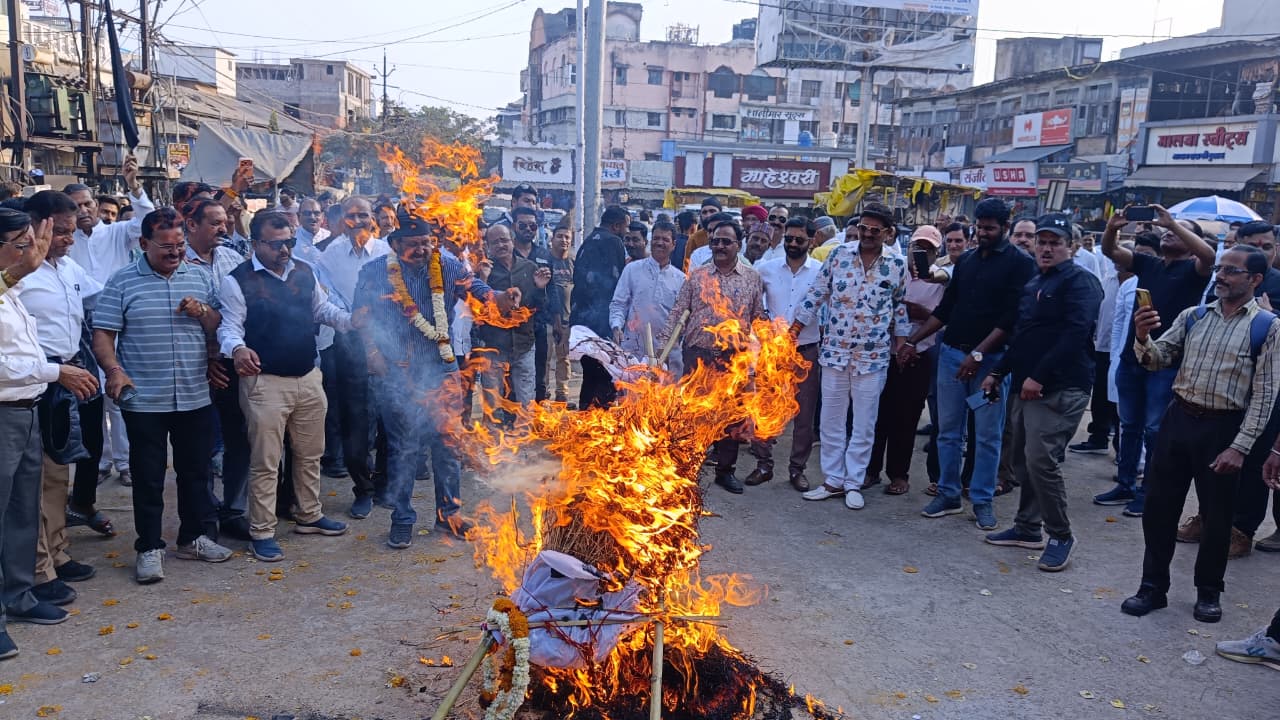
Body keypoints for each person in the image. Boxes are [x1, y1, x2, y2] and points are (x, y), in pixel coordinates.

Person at [1120, 244, 1279, 624]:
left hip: (1223, 427)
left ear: (1255, 279)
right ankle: (1152, 587)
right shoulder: (1194, 316)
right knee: (1159, 509)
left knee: (1217, 517)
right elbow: (1158, 359)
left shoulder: (1267, 327)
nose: (1221, 275)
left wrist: (1240, 447)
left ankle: (1209, 591)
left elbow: (1265, 395)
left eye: (1232, 270)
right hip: (1178, 420)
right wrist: (1142, 336)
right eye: (1220, 268)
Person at [92, 208, 233, 584]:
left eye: (180, 245)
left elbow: (217, 324)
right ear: (143, 243)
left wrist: (202, 311)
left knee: (196, 472)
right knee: (148, 476)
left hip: (194, 394)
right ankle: (149, 547)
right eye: (166, 246)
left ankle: (192, 538)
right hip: (145, 398)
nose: (176, 253)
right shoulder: (123, 281)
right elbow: (103, 333)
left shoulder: (199, 276)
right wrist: (114, 370)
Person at [354, 215, 506, 548]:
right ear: (396, 245)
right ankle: (402, 519)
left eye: (426, 243)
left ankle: (449, 515)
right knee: (405, 447)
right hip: (397, 371)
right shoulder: (375, 271)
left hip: (442, 368)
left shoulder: (447, 267)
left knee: (449, 444)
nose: (422, 249)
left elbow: (476, 289)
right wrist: (372, 353)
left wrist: (499, 297)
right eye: (414, 244)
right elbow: (360, 317)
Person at [216, 212, 353, 562]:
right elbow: (229, 327)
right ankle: (261, 531)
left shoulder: (304, 271)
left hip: (307, 376)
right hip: (264, 383)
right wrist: (238, 349)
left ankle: (309, 514)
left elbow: (322, 310)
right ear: (255, 244)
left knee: (310, 454)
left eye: (289, 242)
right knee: (266, 461)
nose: (285, 250)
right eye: (276, 244)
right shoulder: (238, 280)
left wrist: (352, 321)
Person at [899, 198, 1036, 531]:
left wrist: (977, 355)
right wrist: (913, 341)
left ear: (1005, 228)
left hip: (991, 365)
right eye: (980, 227)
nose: (983, 233)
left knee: (987, 435)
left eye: (990, 228)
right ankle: (948, 494)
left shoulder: (1021, 264)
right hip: (951, 357)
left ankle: (982, 499)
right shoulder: (968, 261)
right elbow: (946, 309)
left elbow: (1011, 320)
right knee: (947, 431)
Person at [981, 214, 1103, 572]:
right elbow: (1023, 333)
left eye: (1056, 242)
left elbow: (1075, 333)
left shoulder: (1081, 282)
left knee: (1041, 461)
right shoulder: (1036, 280)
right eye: (1043, 242)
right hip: (1026, 384)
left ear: (1072, 247)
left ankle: (1061, 535)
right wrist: (999, 371)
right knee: (1022, 461)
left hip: (1060, 387)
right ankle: (1027, 527)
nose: (1047, 248)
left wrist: (1039, 376)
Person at [1095, 206, 1216, 517]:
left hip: (1166, 362)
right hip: (1132, 357)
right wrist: (1112, 227)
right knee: (1129, 425)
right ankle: (1125, 484)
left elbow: (1209, 256)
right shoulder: (1148, 263)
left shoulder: (1194, 271)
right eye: (1165, 230)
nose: (1167, 232)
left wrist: (1173, 223)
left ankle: (1149, 491)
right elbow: (1110, 251)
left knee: (1154, 429)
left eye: (1177, 231)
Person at [17, 191, 105, 608]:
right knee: (33, 481)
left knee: (57, 474)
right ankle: (38, 568)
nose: (71, 239)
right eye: (63, 231)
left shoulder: (68, 267)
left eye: (72, 231)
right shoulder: (18, 274)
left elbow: (102, 296)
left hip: (67, 378)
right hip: (33, 379)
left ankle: (58, 551)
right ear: (39, 226)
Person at [792, 202, 909, 511]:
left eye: (875, 231)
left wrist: (902, 344)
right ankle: (833, 480)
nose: (867, 235)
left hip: (872, 357)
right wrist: (795, 328)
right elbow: (817, 293)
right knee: (831, 420)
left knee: (864, 424)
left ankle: (853, 482)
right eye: (863, 228)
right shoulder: (839, 255)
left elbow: (900, 307)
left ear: (887, 233)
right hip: (835, 353)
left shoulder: (897, 264)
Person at [659, 216, 766, 494]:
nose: (719, 246)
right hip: (698, 356)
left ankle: (725, 471)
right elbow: (678, 312)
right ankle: (688, 469)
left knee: (730, 417)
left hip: (734, 358)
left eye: (726, 242)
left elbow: (758, 316)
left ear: (738, 245)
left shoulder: (752, 278)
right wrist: (662, 346)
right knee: (695, 414)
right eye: (715, 241)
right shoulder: (697, 276)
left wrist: (771, 343)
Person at [181, 198, 253, 541]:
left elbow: (241, 312)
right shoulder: (175, 260)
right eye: (215, 223)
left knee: (239, 438)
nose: (223, 229)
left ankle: (234, 510)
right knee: (201, 444)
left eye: (224, 222)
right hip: (192, 364)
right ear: (192, 225)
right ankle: (205, 513)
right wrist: (208, 357)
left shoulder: (231, 258)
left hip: (230, 361)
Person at [318, 198, 389, 519]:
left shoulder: (387, 252)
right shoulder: (330, 255)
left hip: (389, 343)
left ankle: (385, 484)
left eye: (363, 215)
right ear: (341, 220)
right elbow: (326, 295)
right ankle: (363, 488)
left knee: (390, 417)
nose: (357, 220)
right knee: (355, 420)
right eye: (351, 215)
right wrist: (353, 318)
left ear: (373, 219)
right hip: (349, 341)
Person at [867, 225, 946, 496]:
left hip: (917, 356)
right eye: (917, 246)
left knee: (906, 417)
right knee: (876, 414)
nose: (921, 252)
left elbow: (940, 318)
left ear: (936, 253)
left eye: (928, 249)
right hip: (882, 352)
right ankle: (870, 470)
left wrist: (916, 312)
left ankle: (899, 474)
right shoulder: (892, 269)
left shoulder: (940, 280)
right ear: (908, 246)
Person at [754, 217, 822, 491]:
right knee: (764, 409)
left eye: (799, 239)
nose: (793, 244)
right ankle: (763, 464)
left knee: (804, 415)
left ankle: (797, 470)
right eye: (789, 239)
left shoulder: (821, 271)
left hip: (805, 351)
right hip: (772, 351)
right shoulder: (766, 269)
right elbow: (755, 304)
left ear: (811, 241)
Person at [474, 224, 551, 414]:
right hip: (494, 346)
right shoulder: (483, 270)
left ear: (512, 241)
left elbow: (540, 306)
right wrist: (483, 279)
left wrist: (540, 288)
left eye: (504, 240)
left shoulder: (529, 268)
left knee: (526, 401)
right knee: (493, 403)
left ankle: (524, 431)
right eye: (495, 242)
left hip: (523, 344)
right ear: (488, 246)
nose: (500, 245)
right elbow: (478, 310)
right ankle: (494, 432)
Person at [569, 205, 628, 409]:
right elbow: (619, 283)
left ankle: (585, 416)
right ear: (616, 225)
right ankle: (599, 419)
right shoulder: (614, 242)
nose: (626, 232)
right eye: (625, 227)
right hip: (602, 322)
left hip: (582, 322)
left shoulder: (587, 241)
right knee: (605, 374)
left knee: (589, 375)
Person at [609, 220, 685, 374]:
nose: (660, 243)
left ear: (673, 245)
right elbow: (619, 304)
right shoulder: (632, 269)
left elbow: (682, 320)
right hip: (633, 350)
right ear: (650, 241)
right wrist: (616, 326)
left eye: (665, 239)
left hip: (666, 355)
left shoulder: (681, 279)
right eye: (656, 238)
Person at [510, 206, 557, 403]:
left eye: (533, 226)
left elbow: (552, 289)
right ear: (514, 226)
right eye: (523, 225)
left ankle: (537, 412)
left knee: (539, 371)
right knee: (512, 377)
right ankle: (511, 414)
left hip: (537, 324)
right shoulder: (507, 253)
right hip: (512, 327)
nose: (528, 229)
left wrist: (556, 321)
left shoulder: (544, 255)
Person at [549, 222, 575, 404]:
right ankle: (543, 392)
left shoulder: (573, 262)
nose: (563, 240)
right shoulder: (545, 259)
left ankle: (562, 392)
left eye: (567, 237)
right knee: (544, 358)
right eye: (560, 236)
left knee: (564, 357)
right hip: (547, 320)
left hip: (567, 319)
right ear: (552, 239)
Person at [680, 197, 721, 271]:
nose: (708, 215)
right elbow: (687, 267)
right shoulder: (695, 238)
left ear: (720, 213)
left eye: (712, 211)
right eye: (704, 212)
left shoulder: (731, 233)